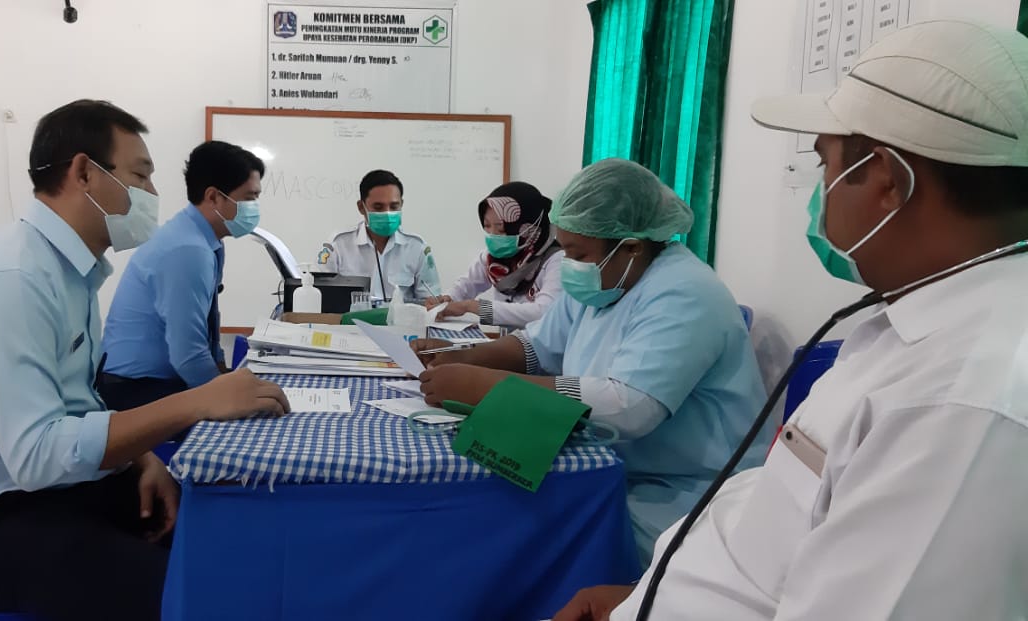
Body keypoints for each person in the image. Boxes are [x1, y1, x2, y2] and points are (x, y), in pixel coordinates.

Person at [554, 20, 1028, 621]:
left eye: (824, 164)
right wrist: (645, 597)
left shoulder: (964, 400)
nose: (820, 193)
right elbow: (788, 519)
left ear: (886, 180)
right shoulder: (906, 327)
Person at [0, 100, 290, 621]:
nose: (152, 194)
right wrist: (197, 402)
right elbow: (37, 455)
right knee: (197, 593)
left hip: (41, 499)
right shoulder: (11, 279)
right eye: (140, 176)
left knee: (220, 533)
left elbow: (76, 404)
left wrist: (142, 458)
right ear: (84, 173)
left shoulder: (69, 272)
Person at [412, 159, 767, 564]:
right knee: (493, 512)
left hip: (692, 493)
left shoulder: (685, 293)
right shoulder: (605, 281)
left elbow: (629, 405)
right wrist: (460, 355)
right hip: (620, 467)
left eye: (577, 253)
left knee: (521, 539)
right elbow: (537, 346)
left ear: (632, 246)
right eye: (565, 250)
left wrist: (489, 388)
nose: (569, 264)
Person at [98, 140, 265, 410]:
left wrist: (223, 375)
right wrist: (225, 397)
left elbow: (207, 330)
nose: (254, 207)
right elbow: (189, 356)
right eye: (249, 198)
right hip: (136, 390)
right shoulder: (188, 249)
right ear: (213, 197)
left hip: (160, 381)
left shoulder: (204, 239)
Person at [424, 181, 563, 329]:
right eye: (487, 226)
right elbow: (467, 284)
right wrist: (448, 299)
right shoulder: (493, 258)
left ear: (528, 227)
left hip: (540, 344)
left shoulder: (558, 260)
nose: (493, 235)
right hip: (510, 341)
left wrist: (472, 307)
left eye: (502, 229)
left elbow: (543, 313)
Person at [314, 169, 441, 301]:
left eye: (394, 206)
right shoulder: (338, 245)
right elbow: (319, 294)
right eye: (378, 207)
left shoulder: (417, 247)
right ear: (361, 207)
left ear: (401, 204)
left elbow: (431, 302)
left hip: (400, 315)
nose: (387, 213)